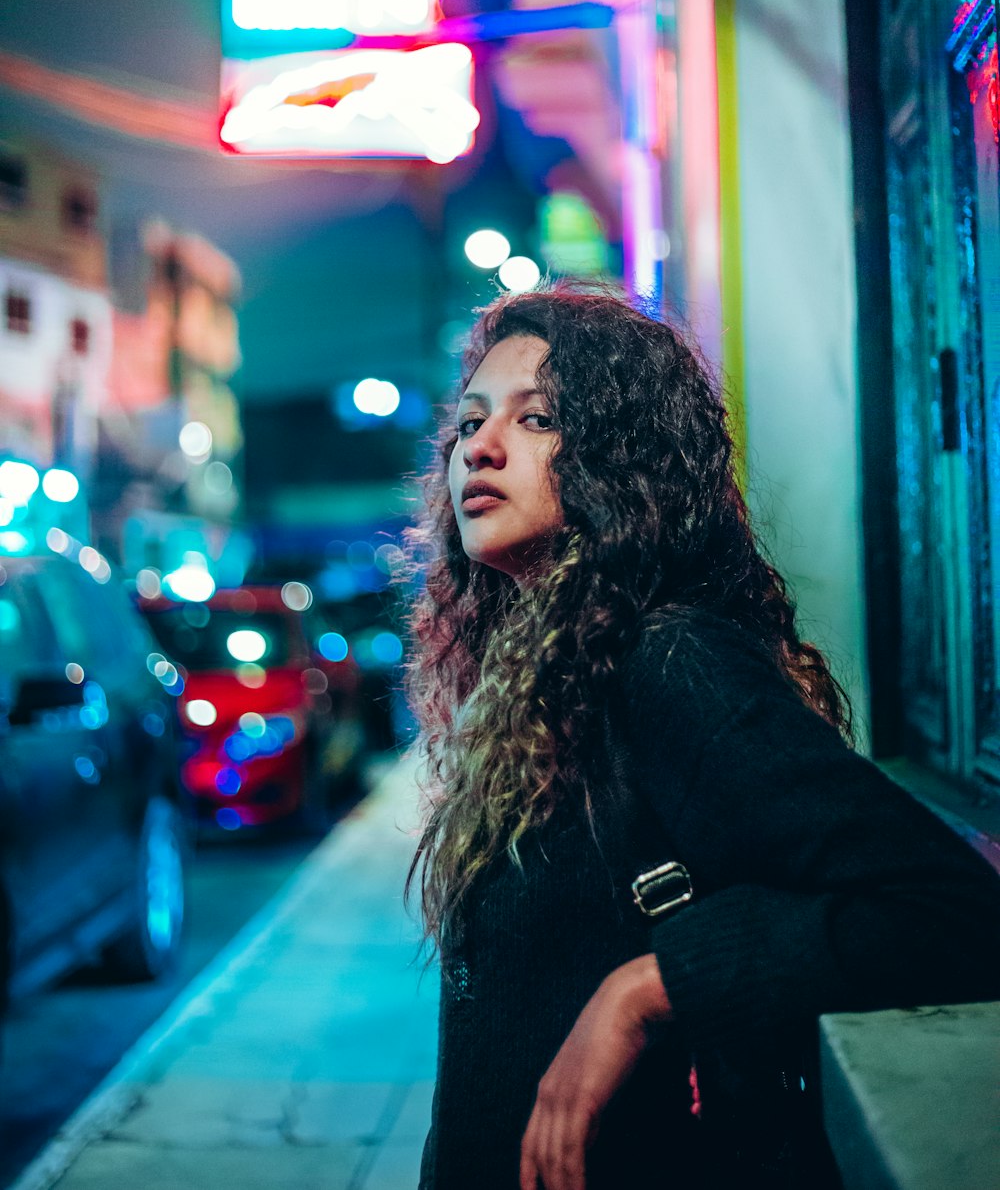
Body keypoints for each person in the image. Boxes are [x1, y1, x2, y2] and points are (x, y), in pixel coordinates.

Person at [405, 284, 1000, 1190]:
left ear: (622, 453)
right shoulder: (545, 672)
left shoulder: (668, 661)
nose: (478, 448)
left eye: (540, 420)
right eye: (471, 422)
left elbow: (951, 913)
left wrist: (651, 988)